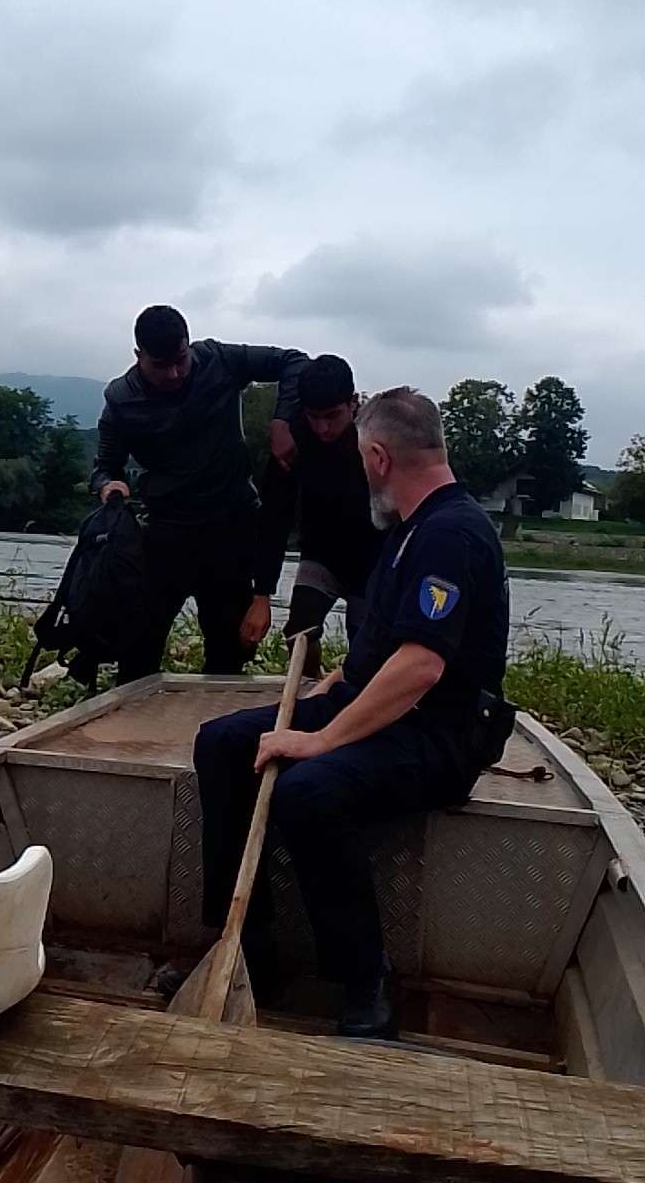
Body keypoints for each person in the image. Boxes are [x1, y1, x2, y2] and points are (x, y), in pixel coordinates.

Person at [193, 386, 511, 1039]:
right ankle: (244, 948)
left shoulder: (449, 535)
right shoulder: (409, 530)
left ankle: (364, 978)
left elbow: (421, 666)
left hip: (437, 734)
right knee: (220, 743)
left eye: (362, 460)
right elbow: (379, 649)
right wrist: (321, 697)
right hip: (378, 710)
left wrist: (322, 739)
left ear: (377, 455)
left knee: (309, 791)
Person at [91, 305, 307, 682]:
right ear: (139, 356)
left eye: (180, 360)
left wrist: (282, 419)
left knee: (232, 649)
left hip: (233, 524)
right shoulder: (121, 400)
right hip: (166, 530)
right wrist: (110, 485)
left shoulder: (218, 359)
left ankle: (221, 731)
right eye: (162, 366)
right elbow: (104, 468)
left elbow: (294, 362)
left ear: (188, 346)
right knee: (138, 645)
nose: (174, 373)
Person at [240, 354, 380, 681]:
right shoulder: (291, 443)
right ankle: (312, 689)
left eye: (332, 416)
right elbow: (274, 518)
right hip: (321, 555)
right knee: (298, 631)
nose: (323, 428)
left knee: (366, 651)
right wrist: (261, 595)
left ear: (353, 403)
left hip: (373, 560)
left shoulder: (378, 440)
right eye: (313, 417)